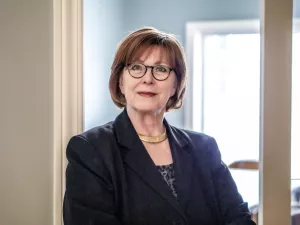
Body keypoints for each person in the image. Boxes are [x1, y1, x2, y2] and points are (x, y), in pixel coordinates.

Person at [63, 27, 256, 225]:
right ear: (121, 81)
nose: (148, 79)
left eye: (161, 69)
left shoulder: (205, 148)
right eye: (136, 67)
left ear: (175, 86)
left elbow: (238, 219)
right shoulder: (90, 150)